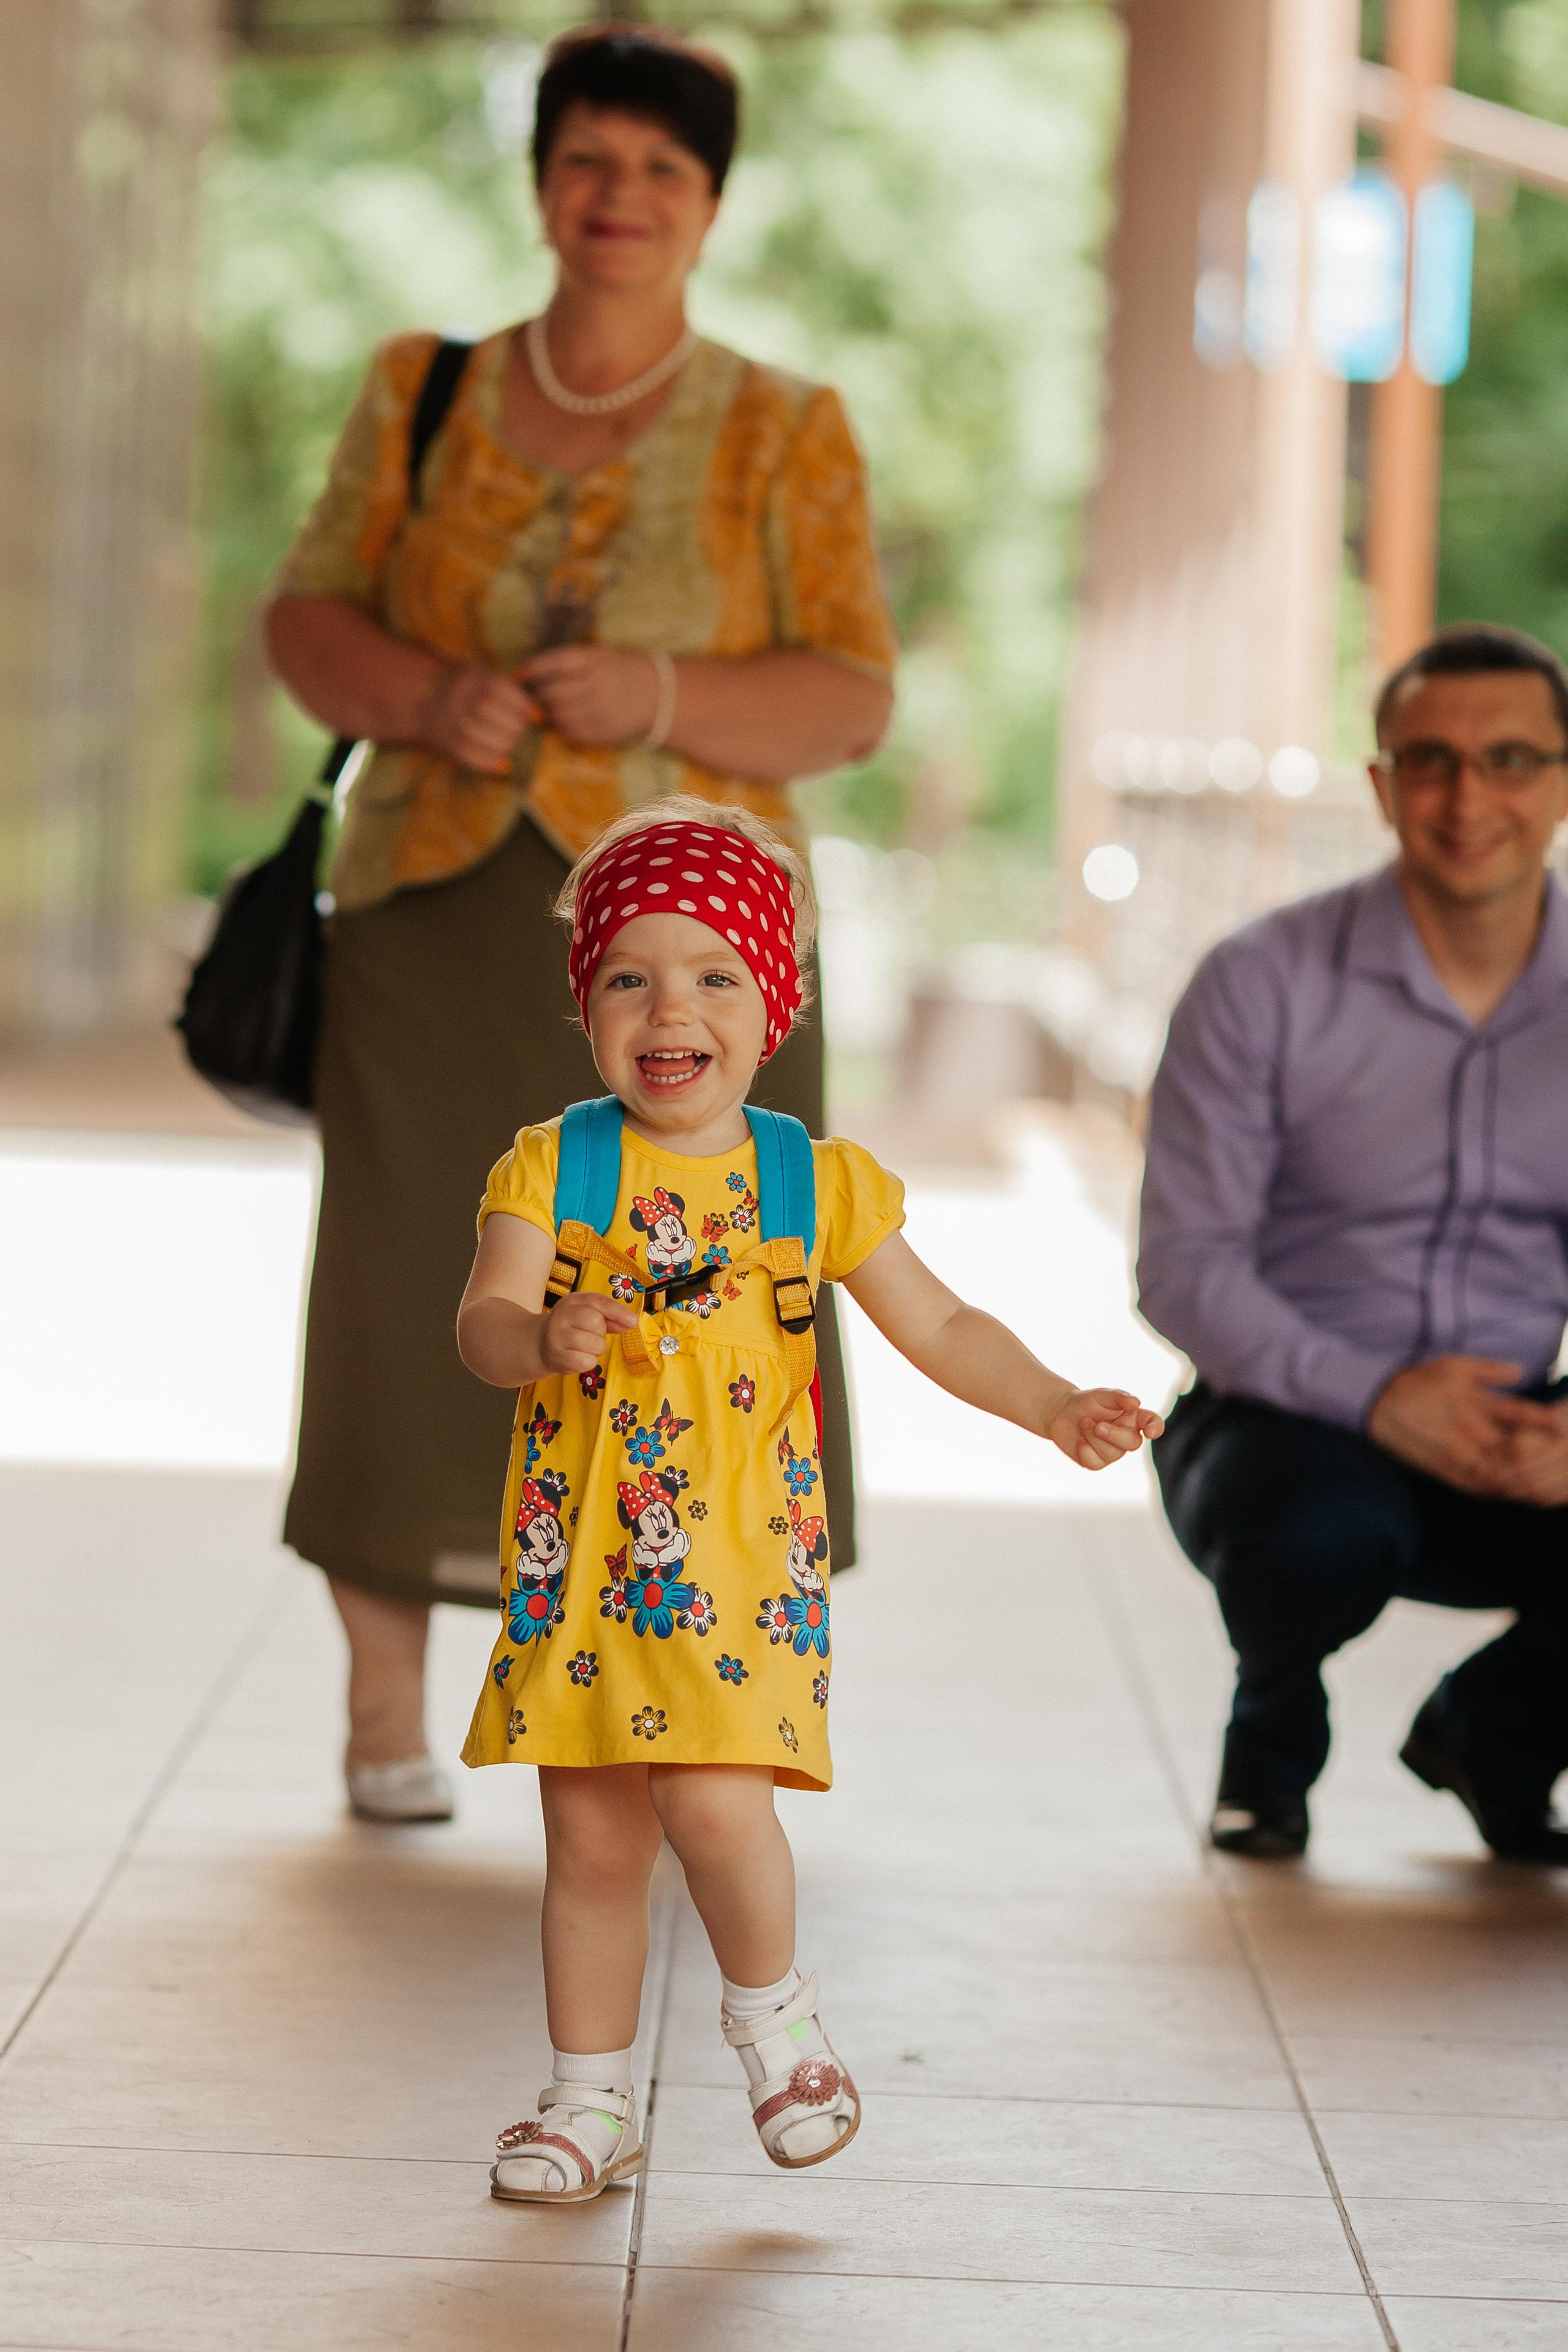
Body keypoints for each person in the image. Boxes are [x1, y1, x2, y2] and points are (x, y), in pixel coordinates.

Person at [264, 24, 897, 1822]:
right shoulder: (424, 386)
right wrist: (422, 688)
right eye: (589, 160)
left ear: (711, 203)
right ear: (542, 179)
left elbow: (850, 696)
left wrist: (663, 686)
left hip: (702, 945)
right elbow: (306, 619)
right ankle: (387, 1707)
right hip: (438, 913)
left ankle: (711, 1687)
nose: (620, 199)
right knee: (407, 1290)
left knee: (719, 1297)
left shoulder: (789, 424)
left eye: (663, 172)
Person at [455, 801, 1165, 2201]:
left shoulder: (808, 1181)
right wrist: (538, 1335)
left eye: (715, 973)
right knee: (592, 1840)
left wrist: (1049, 1402)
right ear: (586, 1006)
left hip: (731, 1575)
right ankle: (587, 2101)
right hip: (587, 1569)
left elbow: (944, 1325)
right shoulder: (556, 1164)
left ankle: (776, 2027)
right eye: (630, 977)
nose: (673, 1008)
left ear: (772, 1003)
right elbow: (481, 1318)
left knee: (714, 1809)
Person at [1139, 624, 1568, 1864]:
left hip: (1516, 1414)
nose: (1466, 797)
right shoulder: (1259, 981)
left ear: (1558, 781)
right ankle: (1267, 1739)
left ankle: (1492, 1733)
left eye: (1508, 760)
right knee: (1314, 1536)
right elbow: (1183, 1266)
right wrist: (1376, 1399)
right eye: (1427, 761)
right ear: (1379, 784)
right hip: (1286, 1416)